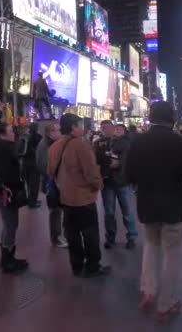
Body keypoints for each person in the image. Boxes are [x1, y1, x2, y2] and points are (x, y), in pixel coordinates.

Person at [126, 101, 182, 321]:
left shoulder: (138, 142)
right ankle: (165, 302)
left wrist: (142, 188)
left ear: (150, 118)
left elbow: (128, 175)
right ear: (172, 119)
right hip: (174, 206)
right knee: (171, 254)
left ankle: (148, 289)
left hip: (147, 205)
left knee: (150, 245)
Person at [47, 114, 110, 278]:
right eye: (80, 125)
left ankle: (76, 266)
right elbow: (91, 172)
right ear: (73, 127)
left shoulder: (55, 146)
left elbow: (49, 171)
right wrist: (99, 185)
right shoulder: (80, 146)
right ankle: (92, 266)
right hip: (83, 197)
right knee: (90, 233)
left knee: (72, 234)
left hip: (65, 197)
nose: (82, 128)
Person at [0, 122, 29, 274]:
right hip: (4, 192)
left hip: (0, 190)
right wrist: (14, 189)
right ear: (2, 134)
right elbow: (6, 174)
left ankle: (8, 257)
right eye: (11, 131)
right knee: (11, 224)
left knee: (9, 223)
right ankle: (7, 260)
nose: (14, 134)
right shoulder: (3, 149)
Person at [94, 121, 138, 250]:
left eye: (107, 128)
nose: (104, 130)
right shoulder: (98, 143)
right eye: (102, 128)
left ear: (113, 128)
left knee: (127, 211)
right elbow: (95, 159)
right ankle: (110, 237)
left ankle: (131, 237)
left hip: (122, 181)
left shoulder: (123, 142)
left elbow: (126, 161)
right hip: (107, 182)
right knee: (109, 213)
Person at [36, 122, 68, 247]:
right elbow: (44, 166)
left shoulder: (56, 144)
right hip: (52, 184)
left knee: (61, 210)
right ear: (49, 133)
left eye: (59, 130)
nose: (59, 133)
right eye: (56, 130)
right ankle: (56, 237)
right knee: (55, 211)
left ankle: (62, 235)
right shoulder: (44, 145)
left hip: (59, 183)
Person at [23, 123, 43, 208]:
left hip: (25, 162)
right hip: (34, 162)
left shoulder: (26, 137)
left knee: (28, 182)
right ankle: (33, 202)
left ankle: (30, 200)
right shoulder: (38, 137)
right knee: (35, 183)